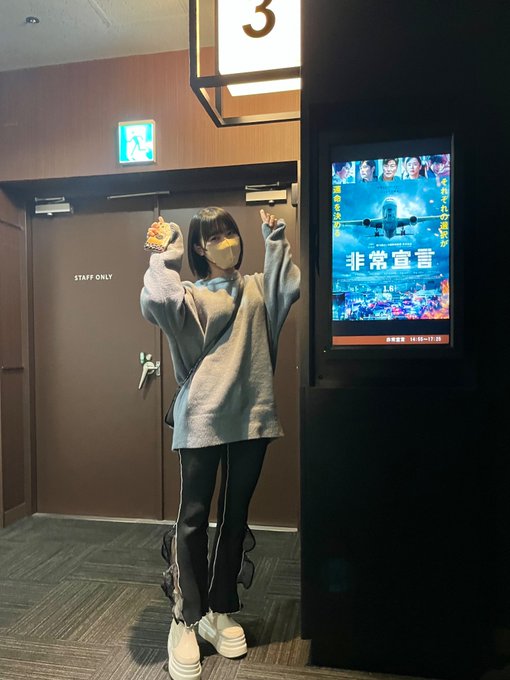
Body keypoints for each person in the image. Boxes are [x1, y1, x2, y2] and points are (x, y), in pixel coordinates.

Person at [140, 207, 300, 680]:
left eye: (230, 232)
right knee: (192, 518)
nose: (227, 241)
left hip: (252, 417)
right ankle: (185, 617)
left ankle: (220, 608)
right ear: (199, 247)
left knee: (235, 517)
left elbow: (289, 285)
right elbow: (156, 299)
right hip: (202, 419)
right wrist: (164, 256)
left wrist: (274, 238)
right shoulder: (190, 295)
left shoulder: (256, 287)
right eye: (214, 236)